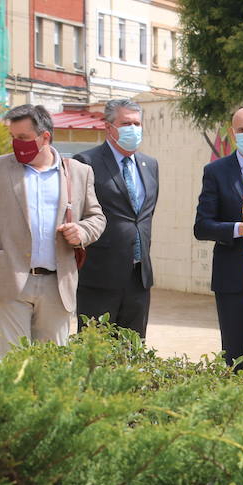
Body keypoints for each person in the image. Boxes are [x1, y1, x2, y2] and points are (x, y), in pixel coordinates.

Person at [0, 104, 105, 357]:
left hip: (58, 283)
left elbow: (97, 217)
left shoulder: (78, 172)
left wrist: (82, 232)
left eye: (23, 138)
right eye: (13, 138)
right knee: (12, 361)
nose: (16, 144)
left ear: (45, 137)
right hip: (8, 279)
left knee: (52, 364)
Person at [193, 106, 243, 371]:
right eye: (241, 130)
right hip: (232, 280)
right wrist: (240, 228)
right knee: (233, 359)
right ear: (231, 133)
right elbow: (202, 226)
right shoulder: (216, 171)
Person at [74, 98, 159, 337]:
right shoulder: (86, 163)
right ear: (108, 127)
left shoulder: (150, 165)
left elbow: (144, 216)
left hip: (138, 276)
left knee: (133, 352)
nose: (133, 129)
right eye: (126, 123)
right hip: (99, 277)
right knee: (96, 354)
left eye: (137, 123)